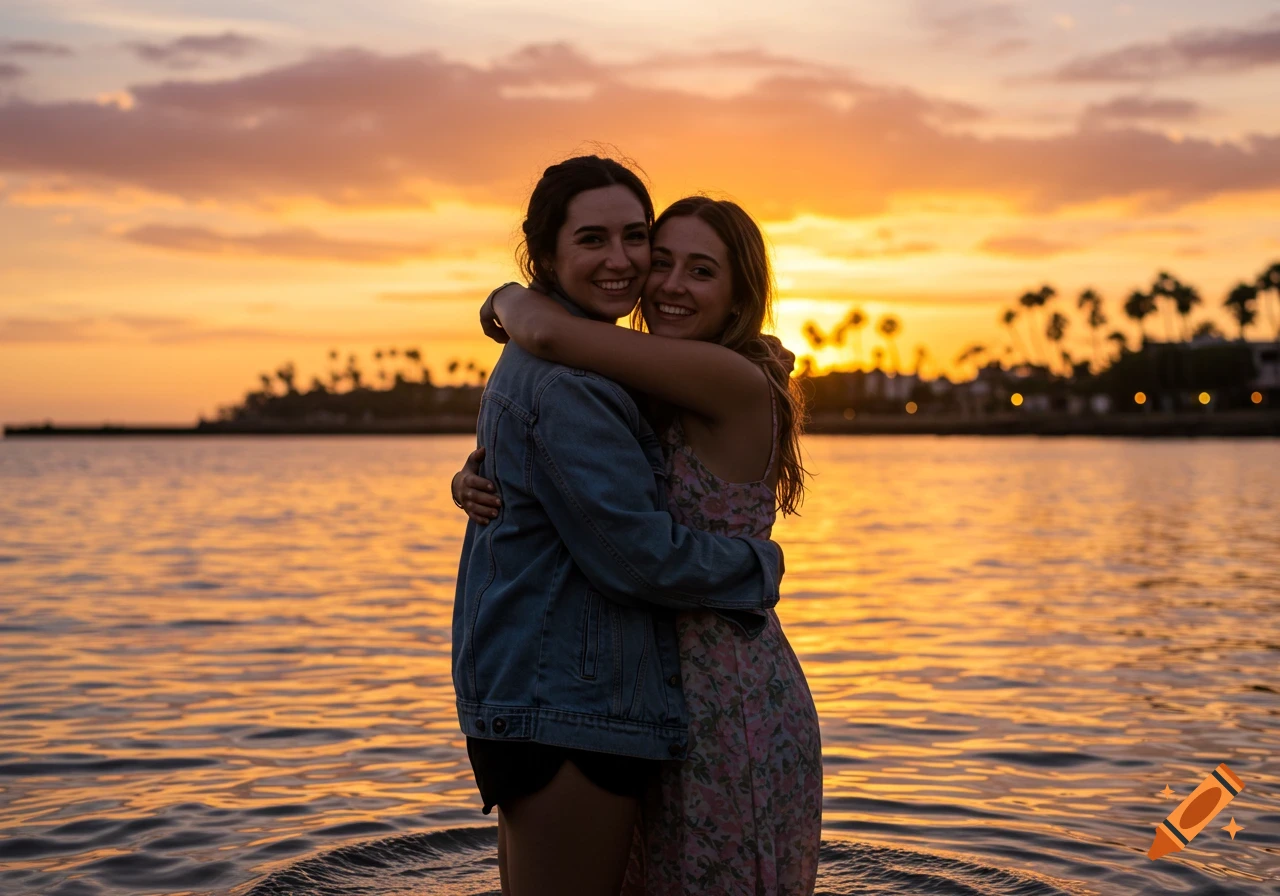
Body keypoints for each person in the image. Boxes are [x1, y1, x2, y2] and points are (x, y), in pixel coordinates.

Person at [454, 194, 822, 894]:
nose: (673, 285)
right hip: (640, 688)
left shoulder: (728, 378)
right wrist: (481, 474)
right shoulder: (655, 382)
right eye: (664, 263)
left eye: (702, 271)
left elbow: (554, 338)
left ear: (741, 293)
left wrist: (504, 296)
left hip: (726, 693)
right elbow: (574, 459)